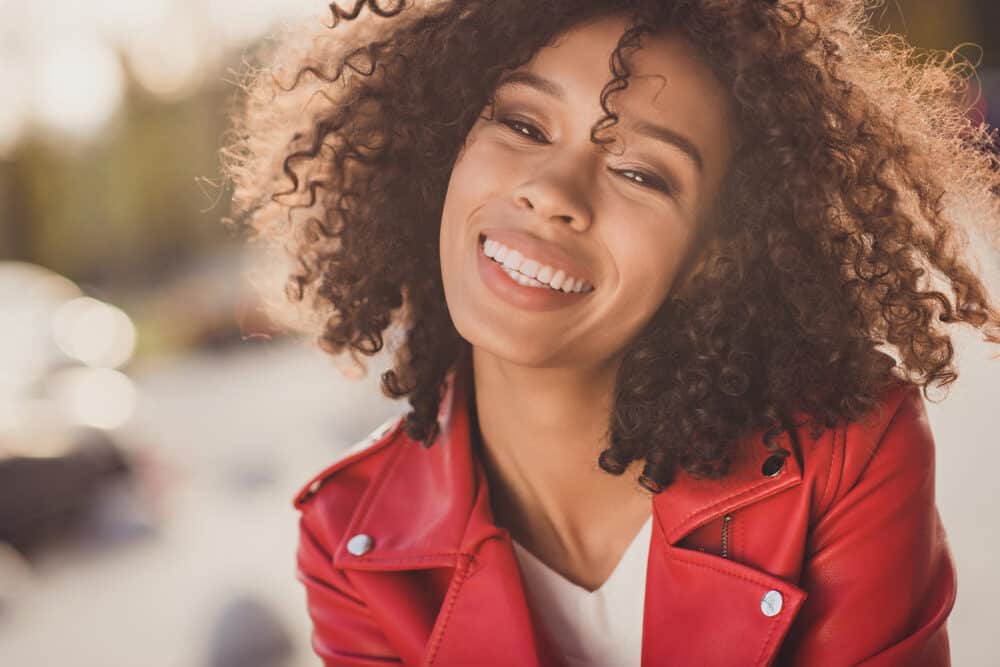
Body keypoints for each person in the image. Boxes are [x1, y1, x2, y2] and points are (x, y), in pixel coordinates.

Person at [223, 1, 1000, 664]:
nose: (552, 193)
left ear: (715, 256)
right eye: (524, 124)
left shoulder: (849, 452)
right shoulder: (349, 547)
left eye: (642, 174)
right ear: (442, 151)